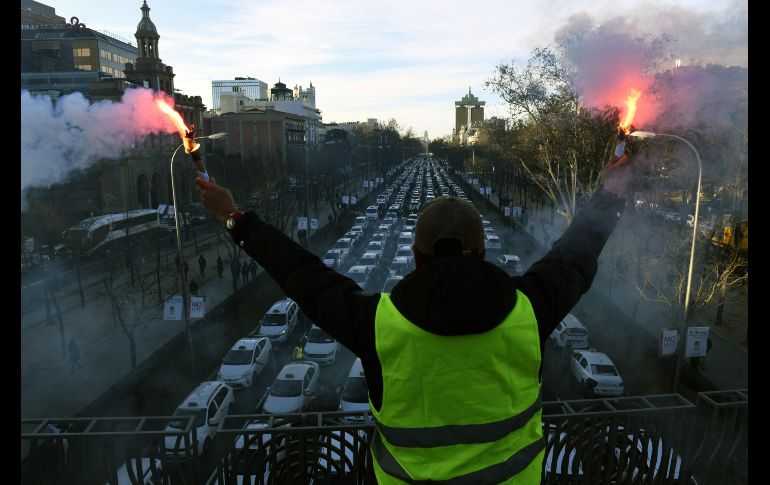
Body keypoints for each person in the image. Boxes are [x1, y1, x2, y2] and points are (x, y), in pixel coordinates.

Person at [195, 153, 632, 483]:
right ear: (480, 253)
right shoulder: (529, 312)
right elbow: (576, 255)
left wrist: (235, 218)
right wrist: (611, 192)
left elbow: (303, 275)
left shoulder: (379, 324)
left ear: (416, 258)